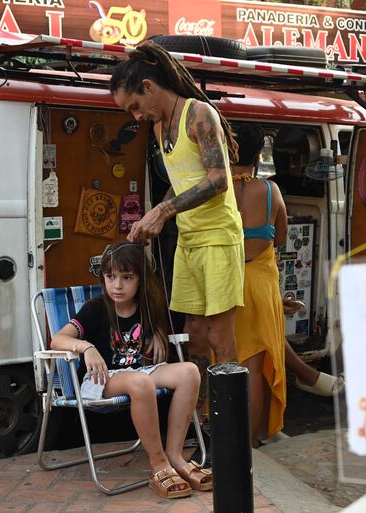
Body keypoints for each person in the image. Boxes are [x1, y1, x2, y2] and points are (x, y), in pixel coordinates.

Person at [109, 41, 244, 382]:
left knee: (219, 335)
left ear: (149, 88)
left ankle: (228, 426)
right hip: (188, 240)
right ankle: (199, 421)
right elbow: (183, 181)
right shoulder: (158, 127)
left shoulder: (198, 114)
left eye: (135, 107)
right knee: (193, 334)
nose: (136, 117)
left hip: (218, 238)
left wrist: (164, 211)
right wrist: (152, 214)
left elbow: (218, 180)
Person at [50, 241, 212, 499]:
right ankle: (159, 464)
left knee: (190, 372)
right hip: (102, 379)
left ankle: (175, 456)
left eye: (127, 278)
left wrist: (159, 333)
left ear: (140, 280)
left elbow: (155, 334)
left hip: (140, 372)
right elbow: (57, 339)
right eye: (110, 277)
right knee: (140, 382)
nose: (117, 285)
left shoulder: (146, 306)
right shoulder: (96, 308)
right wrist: (86, 347)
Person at [231, 124, 344, 446]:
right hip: (262, 282)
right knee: (258, 362)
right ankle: (253, 439)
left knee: (233, 361)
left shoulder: (217, 190)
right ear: (257, 156)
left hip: (227, 282)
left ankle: (246, 434)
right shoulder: (270, 191)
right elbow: (280, 237)